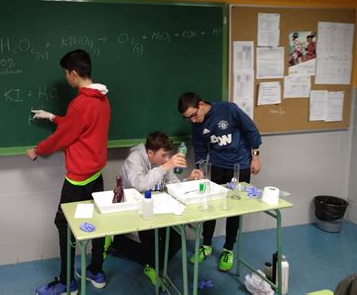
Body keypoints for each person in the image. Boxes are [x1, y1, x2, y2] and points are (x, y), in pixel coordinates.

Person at [27, 49, 110, 295]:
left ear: (74, 73)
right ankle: (96, 270)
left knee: (63, 224)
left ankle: (67, 282)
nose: (65, 78)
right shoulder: (101, 99)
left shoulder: (80, 103)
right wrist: (53, 116)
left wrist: (37, 150)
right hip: (96, 174)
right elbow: (78, 127)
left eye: (65, 73)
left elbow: (63, 137)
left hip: (78, 178)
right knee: (97, 223)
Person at [177, 92, 262, 272]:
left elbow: (251, 130)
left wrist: (255, 157)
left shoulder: (228, 109)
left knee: (235, 209)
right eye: (188, 118)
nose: (193, 120)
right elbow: (200, 148)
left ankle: (228, 249)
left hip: (240, 166)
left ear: (201, 105)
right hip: (215, 167)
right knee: (209, 206)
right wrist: (200, 167)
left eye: (194, 115)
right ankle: (206, 245)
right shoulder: (197, 125)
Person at [110, 131, 202, 286]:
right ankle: (136, 255)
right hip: (136, 207)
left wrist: (188, 181)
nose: (166, 159)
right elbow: (140, 184)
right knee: (152, 240)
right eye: (163, 155)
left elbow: (172, 183)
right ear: (150, 153)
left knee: (177, 239)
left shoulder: (163, 162)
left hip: (159, 206)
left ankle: (144, 259)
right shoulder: (134, 159)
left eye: (168, 156)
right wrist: (166, 166)